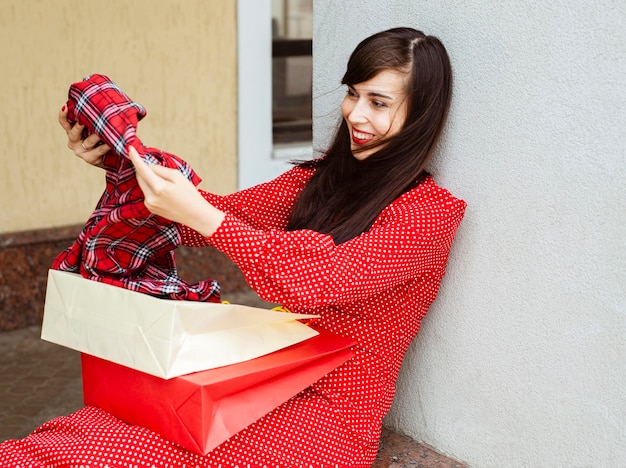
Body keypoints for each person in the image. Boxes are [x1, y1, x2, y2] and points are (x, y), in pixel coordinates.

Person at [0, 27, 466, 467]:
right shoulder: (317, 181)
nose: (355, 115)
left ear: (420, 114)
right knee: (89, 428)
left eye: (378, 102)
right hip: (253, 374)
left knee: (114, 448)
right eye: (353, 94)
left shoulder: (429, 213)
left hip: (326, 417)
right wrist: (124, 160)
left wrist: (201, 214)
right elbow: (213, 214)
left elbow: (315, 278)